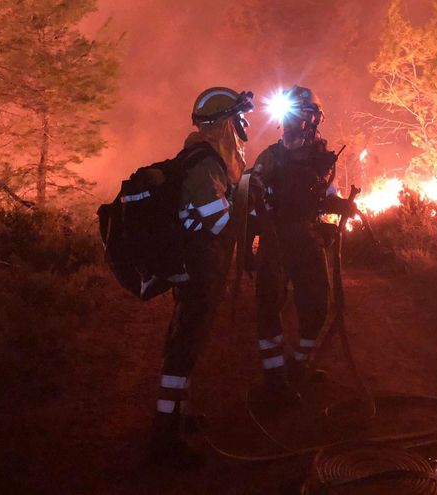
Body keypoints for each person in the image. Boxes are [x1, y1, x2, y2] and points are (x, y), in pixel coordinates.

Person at [150, 87, 252, 469]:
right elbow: (217, 220)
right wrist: (247, 203)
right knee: (184, 346)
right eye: (238, 119)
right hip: (197, 266)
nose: (241, 128)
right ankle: (164, 437)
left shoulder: (209, 159)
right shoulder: (204, 163)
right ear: (224, 123)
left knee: (190, 342)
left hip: (200, 264)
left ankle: (179, 415)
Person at [248, 85, 355, 406]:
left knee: (317, 305)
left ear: (314, 120)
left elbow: (327, 196)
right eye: (289, 116)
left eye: (301, 116)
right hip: (275, 242)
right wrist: (252, 240)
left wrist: (336, 212)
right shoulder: (269, 157)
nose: (293, 123)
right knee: (269, 307)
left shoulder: (322, 160)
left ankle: (298, 364)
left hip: (308, 240)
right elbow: (252, 200)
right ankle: (275, 379)